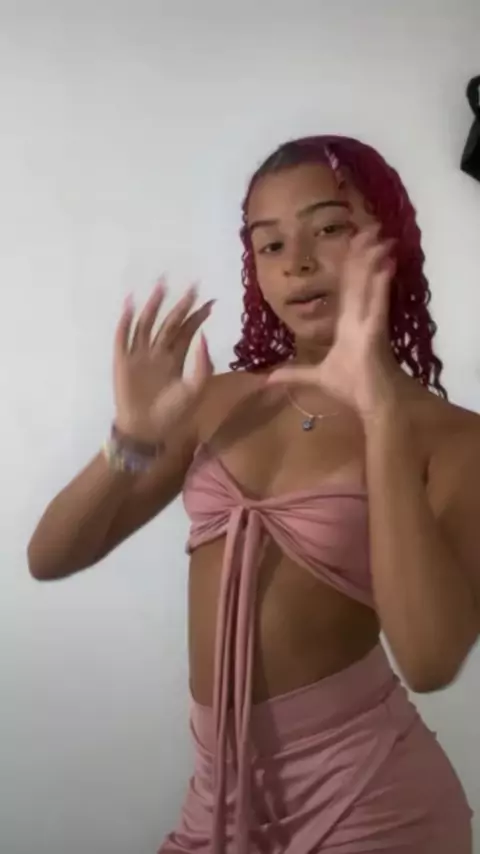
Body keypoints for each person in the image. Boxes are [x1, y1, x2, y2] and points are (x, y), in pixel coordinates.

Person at [27, 135, 479, 853]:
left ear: (388, 239)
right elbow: (49, 557)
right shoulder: (218, 401)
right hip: (219, 799)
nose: (297, 262)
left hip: (371, 803)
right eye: (270, 244)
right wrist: (129, 438)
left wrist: (382, 415)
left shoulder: (455, 440)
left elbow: (430, 661)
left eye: (328, 228)